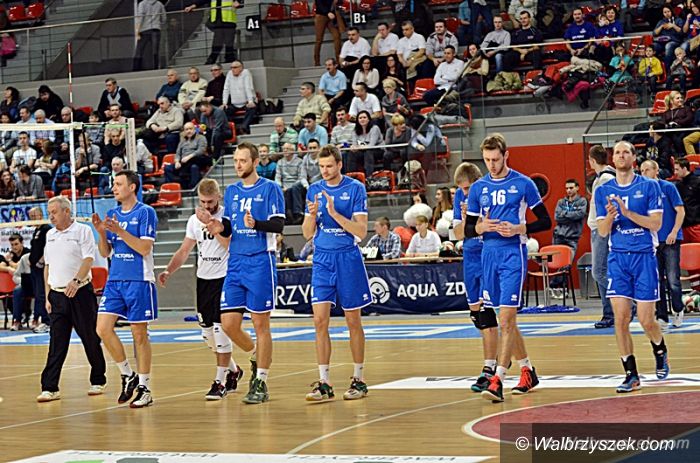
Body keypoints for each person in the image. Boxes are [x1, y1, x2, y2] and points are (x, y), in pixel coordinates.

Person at [465, 133, 552, 402]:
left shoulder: (523, 183)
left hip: (513, 253)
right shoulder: (478, 188)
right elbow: (468, 229)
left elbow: (545, 221)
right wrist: (481, 227)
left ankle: (498, 380)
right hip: (488, 255)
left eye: (495, 159)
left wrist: (519, 228)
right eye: (487, 160)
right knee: (506, 320)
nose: (491, 165)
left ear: (506, 156)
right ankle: (527, 370)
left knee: (505, 320)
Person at [199, 142, 285, 404]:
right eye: (236, 160)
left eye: (243, 161)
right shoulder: (233, 191)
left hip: (260, 261)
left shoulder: (270, 188)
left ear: (255, 162)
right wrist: (218, 226)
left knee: (260, 324)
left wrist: (256, 224)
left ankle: (261, 381)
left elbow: (279, 224)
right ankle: (257, 354)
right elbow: (230, 225)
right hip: (235, 262)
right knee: (228, 324)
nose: (238, 165)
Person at [158, 178, 253, 400]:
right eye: (202, 201)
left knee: (220, 330)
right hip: (203, 278)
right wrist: (168, 270)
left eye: (210, 201)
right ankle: (234, 370)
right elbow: (184, 249)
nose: (206, 205)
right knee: (207, 334)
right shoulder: (194, 220)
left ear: (218, 197)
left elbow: (230, 246)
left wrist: (212, 225)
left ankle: (220, 382)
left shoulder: (228, 217)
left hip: (225, 278)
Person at [595, 141, 670, 393]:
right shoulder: (603, 190)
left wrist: (627, 213)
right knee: (621, 318)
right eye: (617, 152)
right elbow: (602, 231)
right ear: (612, 158)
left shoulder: (649, 186)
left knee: (647, 320)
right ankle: (631, 374)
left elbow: (656, 224)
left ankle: (660, 349)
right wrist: (610, 217)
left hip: (644, 257)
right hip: (618, 258)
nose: (621, 155)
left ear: (633, 157)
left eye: (625, 151)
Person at [302, 144, 371, 402]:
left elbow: (361, 231)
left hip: (347, 258)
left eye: (329, 166)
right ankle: (324, 382)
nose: (325, 170)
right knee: (319, 320)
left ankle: (359, 379)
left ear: (340, 165)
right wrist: (312, 216)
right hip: (322, 259)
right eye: (321, 166)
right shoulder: (314, 190)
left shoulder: (355, 188)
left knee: (353, 320)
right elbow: (307, 233)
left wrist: (334, 213)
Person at [92, 170, 158, 408]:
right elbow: (105, 252)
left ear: (132, 187)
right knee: (102, 328)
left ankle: (145, 388)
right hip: (115, 280)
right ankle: (128, 374)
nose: (114, 188)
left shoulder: (145, 212)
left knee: (139, 335)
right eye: (114, 184)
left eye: (119, 184)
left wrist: (120, 231)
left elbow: (144, 248)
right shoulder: (112, 214)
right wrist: (102, 233)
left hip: (139, 280)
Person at [37, 196, 107, 403]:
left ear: (66, 211)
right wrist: (48, 295)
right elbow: (48, 266)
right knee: (56, 343)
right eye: (49, 212)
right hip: (57, 296)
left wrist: (76, 281)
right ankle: (49, 387)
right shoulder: (50, 235)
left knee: (90, 338)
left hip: (80, 293)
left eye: (54, 212)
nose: (51, 216)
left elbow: (88, 258)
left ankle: (98, 379)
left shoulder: (82, 231)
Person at [452, 162, 499, 392]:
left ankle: (489, 368)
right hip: (469, 257)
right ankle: (498, 355)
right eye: (462, 189)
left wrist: (478, 222)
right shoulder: (459, 198)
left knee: (486, 313)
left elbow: (493, 228)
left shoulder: (490, 193)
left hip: (487, 255)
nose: (465, 193)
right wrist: (465, 220)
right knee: (475, 315)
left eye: (468, 188)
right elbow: (458, 234)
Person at [640, 160, 686, 328]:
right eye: (641, 171)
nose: (644, 173)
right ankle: (662, 316)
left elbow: (680, 211)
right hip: (652, 242)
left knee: (673, 279)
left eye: (647, 170)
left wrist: (674, 231)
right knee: (656, 280)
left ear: (656, 170)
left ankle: (678, 309)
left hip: (670, 240)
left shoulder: (668, 187)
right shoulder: (642, 191)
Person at [588, 145, 616, 329]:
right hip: (597, 229)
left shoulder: (606, 179)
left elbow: (608, 206)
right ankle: (609, 313)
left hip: (602, 229)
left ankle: (628, 302)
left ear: (592, 160)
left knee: (598, 272)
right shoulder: (601, 178)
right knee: (601, 271)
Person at [549, 179, 588, 298]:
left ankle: (555, 285)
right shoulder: (561, 202)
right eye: (567, 188)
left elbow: (580, 214)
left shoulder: (582, 201)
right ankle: (560, 288)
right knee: (558, 263)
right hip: (558, 236)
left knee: (566, 264)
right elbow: (557, 217)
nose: (569, 190)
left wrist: (564, 214)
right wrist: (571, 216)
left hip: (572, 238)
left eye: (571, 188)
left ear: (577, 188)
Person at [184, 0, 240, 64]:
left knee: (228, 42)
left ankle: (225, 59)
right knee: (218, 42)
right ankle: (214, 59)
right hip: (218, 23)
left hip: (229, 21)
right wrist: (191, 6)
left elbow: (238, 3)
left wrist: (238, 1)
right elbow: (201, 1)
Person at [166, 122, 211, 189]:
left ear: (194, 129)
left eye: (190, 129)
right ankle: (177, 187)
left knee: (193, 166)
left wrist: (189, 156)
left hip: (196, 160)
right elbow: (178, 153)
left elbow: (201, 150)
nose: (188, 131)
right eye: (186, 129)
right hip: (183, 162)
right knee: (168, 168)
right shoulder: (182, 141)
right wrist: (177, 161)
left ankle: (192, 188)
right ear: (184, 131)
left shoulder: (201, 138)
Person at [222, 61, 257, 135]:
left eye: (235, 67)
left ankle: (244, 127)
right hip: (234, 103)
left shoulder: (246, 73)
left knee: (252, 108)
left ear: (241, 68)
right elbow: (226, 89)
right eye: (231, 67)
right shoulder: (229, 74)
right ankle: (231, 130)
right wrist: (224, 103)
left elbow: (248, 87)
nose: (232, 69)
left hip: (246, 102)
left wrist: (250, 101)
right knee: (225, 110)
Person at [4, 233, 30, 330]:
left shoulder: (27, 253)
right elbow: (1, 265)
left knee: (18, 290)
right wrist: (8, 268)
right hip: (15, 283)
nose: (14, 247)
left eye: (16, 244)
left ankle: (25, 315)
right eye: (12, 245)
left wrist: (9, 262)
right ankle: (18, 319)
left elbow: (18, 266)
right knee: (7, 293)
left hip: (29, 283)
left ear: (22, 243)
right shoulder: (11, 254)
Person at [275, 143, 305, 224]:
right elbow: (278, 177)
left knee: (293, 189)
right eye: (284, 149)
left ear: (293, 150)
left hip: (296, 185)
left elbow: (301, 177)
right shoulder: (280, 162)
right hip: (284, 185)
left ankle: (297, 213)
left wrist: (290, 187)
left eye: (287, 149)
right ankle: (286, 215)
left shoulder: (299, 161)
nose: (285, 151)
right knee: (279, 189)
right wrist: (280, 186)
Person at [133, 0, 165, 71]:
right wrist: (158, 23)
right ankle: (156, 68)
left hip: (144, 30)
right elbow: (164, 18)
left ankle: (136, 69)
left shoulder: (142, 4)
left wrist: (137, 30)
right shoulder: (159, 4)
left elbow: (140, 18)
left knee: (139, 50)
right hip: (156, 29)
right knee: (155, 51)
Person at [674, 158, 700, 243]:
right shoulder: (677, 185)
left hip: (696, 226)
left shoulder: (697, 182)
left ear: (684, 168)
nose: (675, 172)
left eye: (677, 169)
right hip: (683, 226)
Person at [313, 0, 345, 66]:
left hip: (332, 15)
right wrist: (327, 12)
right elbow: (319, 4)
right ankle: (317, 62)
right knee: (319, 40)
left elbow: (340, 2)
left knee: (337, 36)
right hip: (321, 15)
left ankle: (338, 60)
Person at [350, 110, 382, 175]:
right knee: (350, 153)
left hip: (377, 150)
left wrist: (358, 147)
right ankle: (352, 175)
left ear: (369, 119)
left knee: (368, 152)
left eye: (364, 117)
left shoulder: (374, 128)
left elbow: (371, 145)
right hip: (362, 151)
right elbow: (354, 144)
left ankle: (369, 176)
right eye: (360, 118)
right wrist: (353, 147)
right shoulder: (355, 130)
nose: (362, 119)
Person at [653, 6, 684, 71]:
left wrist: (673, 26)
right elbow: (654, 33)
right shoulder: (661, 21)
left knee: (668, 46)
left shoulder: (678, 20)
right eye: (665, 12)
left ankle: (667, 69)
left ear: (671, 11)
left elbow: (682, 33)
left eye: (668, 11)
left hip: (674, 41)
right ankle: (656, 68)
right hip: (662, 42)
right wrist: (661, 27)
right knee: (654, 46)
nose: (667, 13)